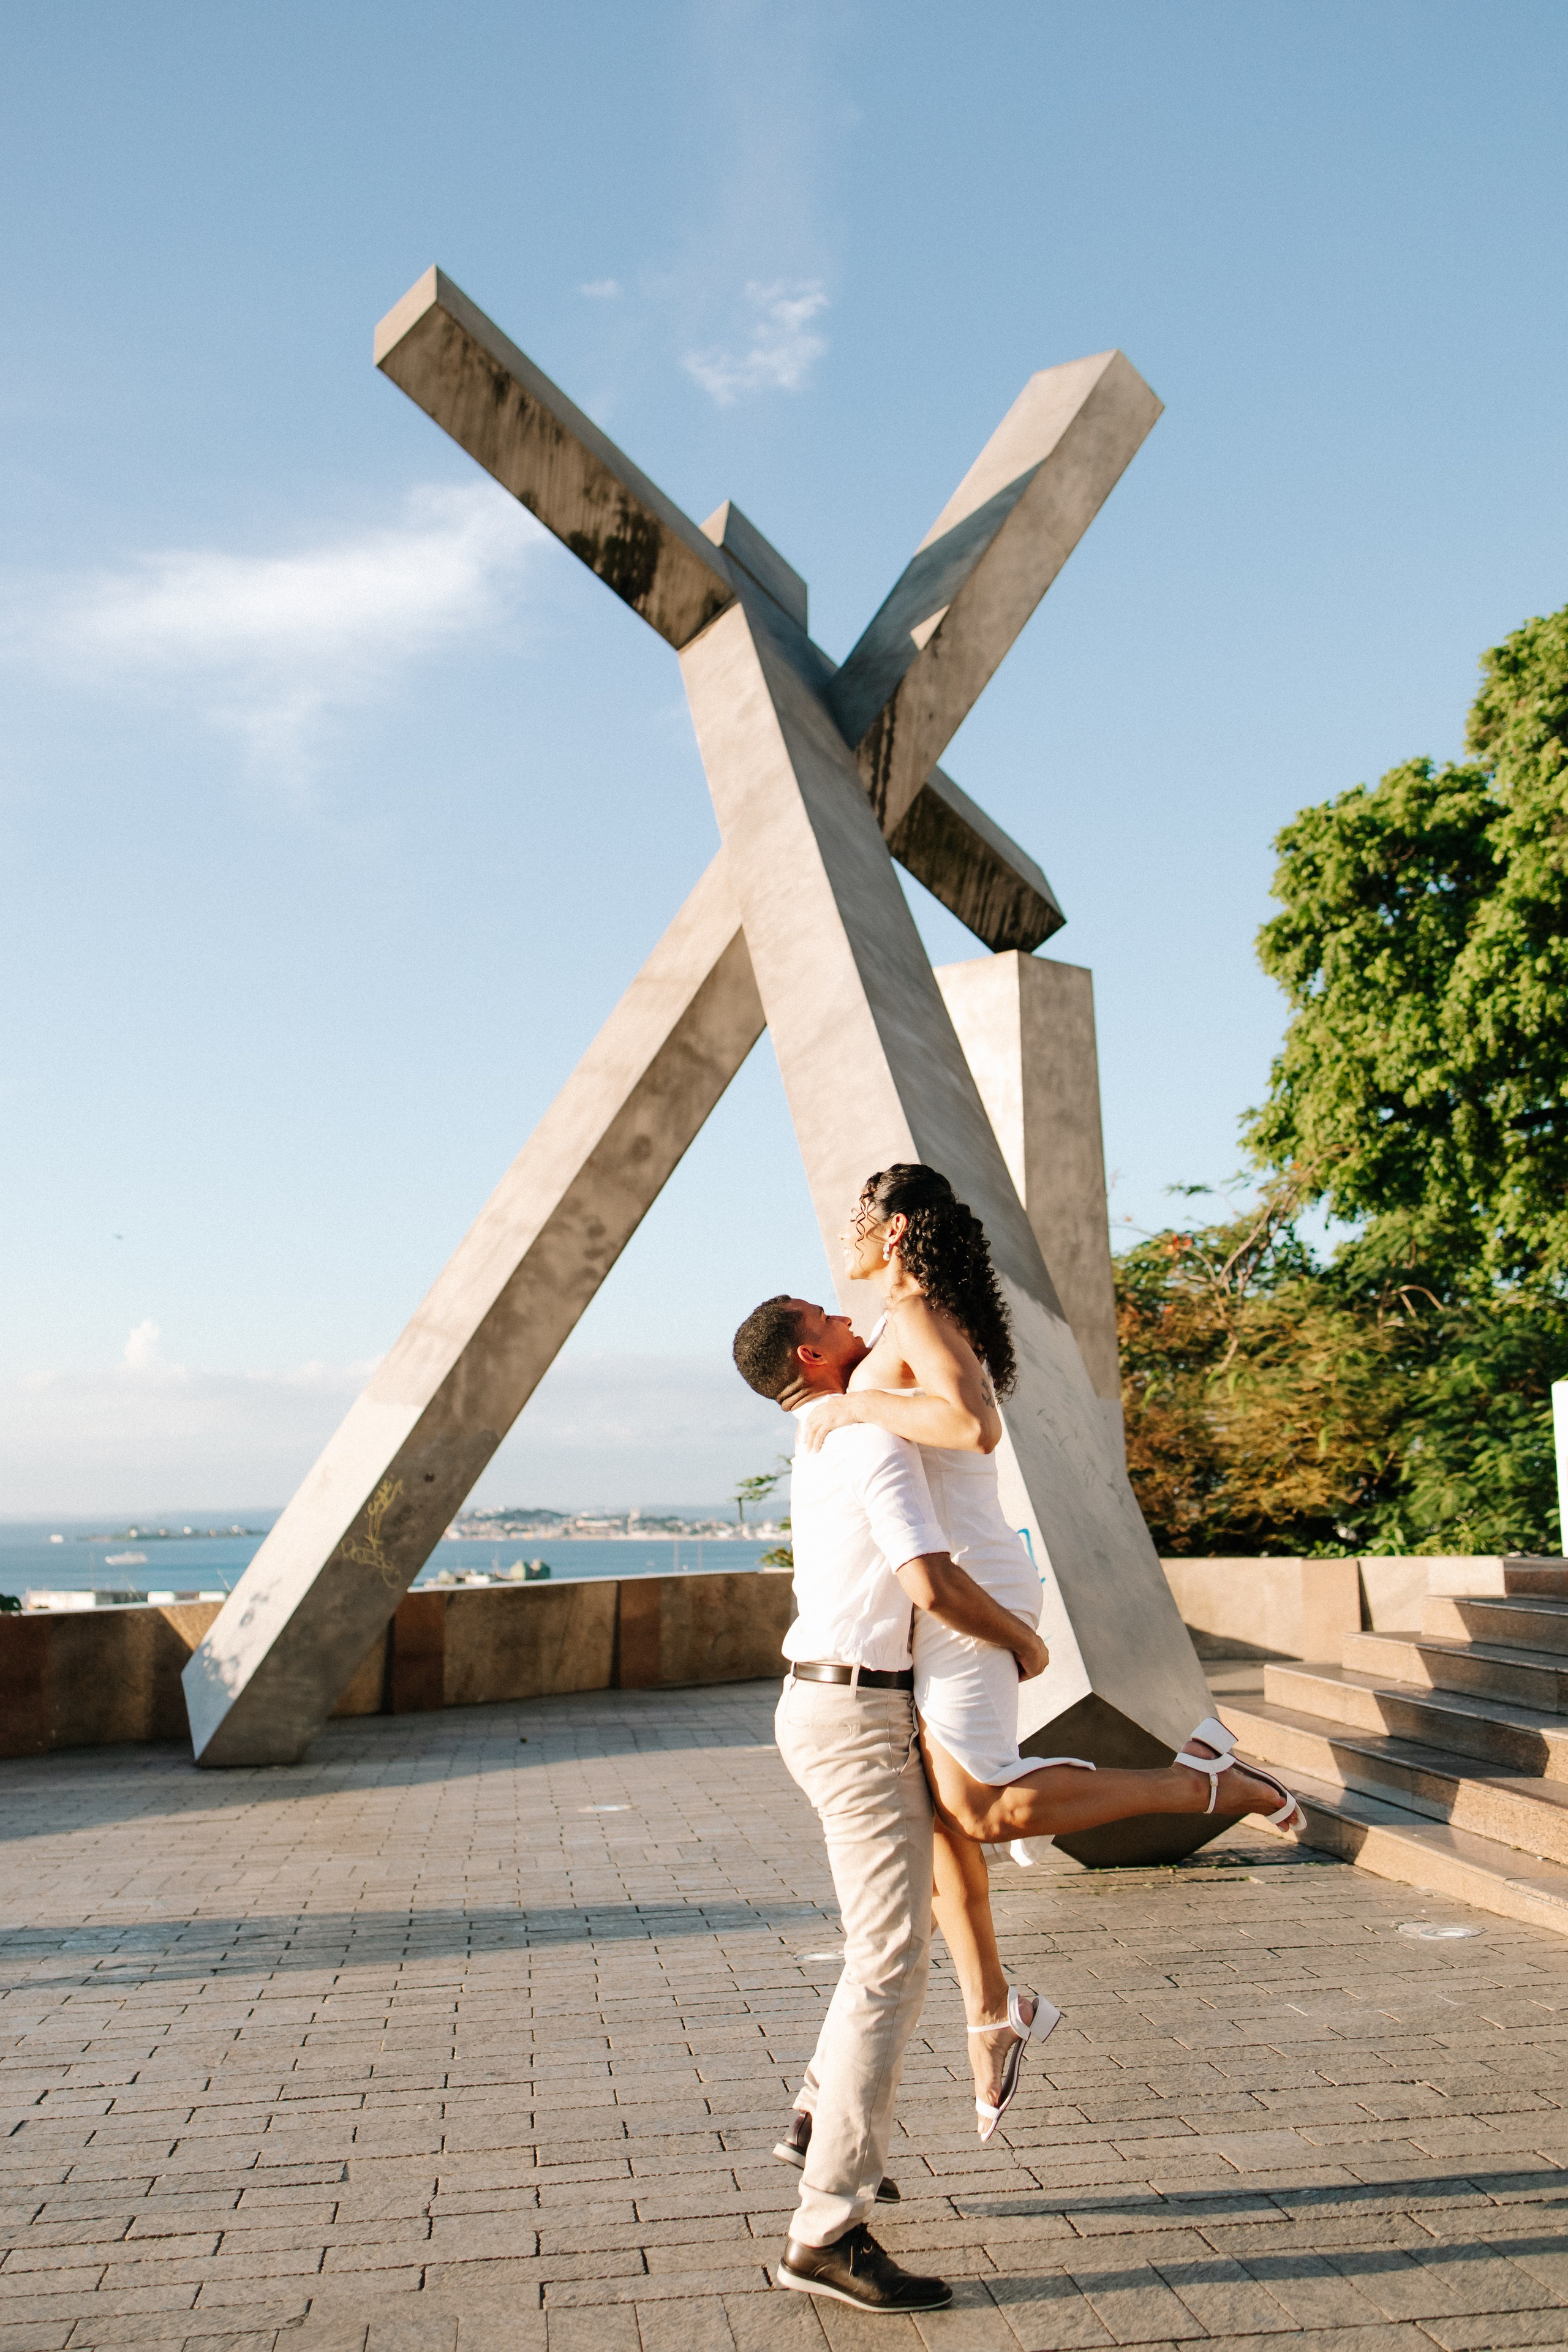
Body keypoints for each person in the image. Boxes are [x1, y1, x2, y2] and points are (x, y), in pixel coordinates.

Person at [763, 1166, 1307, 2140]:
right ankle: (992, 2015)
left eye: (858, 1217)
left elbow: (974, 1427)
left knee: (978, 1807)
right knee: (938, 1818)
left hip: (971, 1587)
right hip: (940, 1600)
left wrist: (853, 1408)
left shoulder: (918, 1309)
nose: (842, 1234)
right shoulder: (897, 1319)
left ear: (893, 1234)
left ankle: (1209, 1784)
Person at [731, 1294, 1055, 2314]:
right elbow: (928, 1581)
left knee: (894, 1934)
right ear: (812, 1351)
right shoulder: (863, 1440)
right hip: (856, 1719)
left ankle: (814, 2114)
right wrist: (1027, 1643)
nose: (851, 1309)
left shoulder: (817, 1435)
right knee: (888, 1963)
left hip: (833, 1704)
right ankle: (826, 2229)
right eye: (829, 1310)